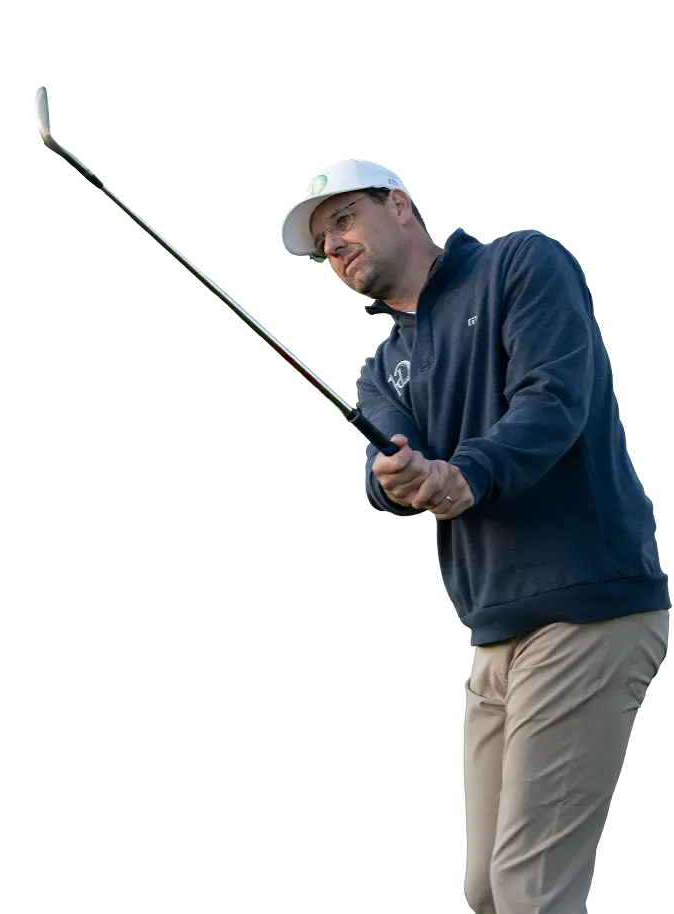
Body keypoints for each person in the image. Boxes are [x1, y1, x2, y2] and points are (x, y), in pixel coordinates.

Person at [280, 158, 671, 913]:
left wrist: (468, 472)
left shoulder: (519, 264)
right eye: (322, 242)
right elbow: (390, 466)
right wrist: (396, 480)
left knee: (532, 889)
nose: (333, 246)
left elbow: (553, 399)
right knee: (488, 890)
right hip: (492, 633)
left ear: (399, 206)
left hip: (587, 605)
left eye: (345, 220)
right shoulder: (382, 368)